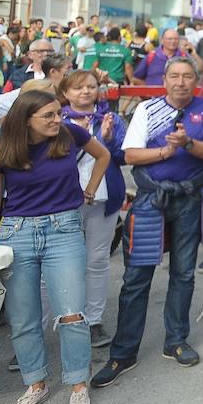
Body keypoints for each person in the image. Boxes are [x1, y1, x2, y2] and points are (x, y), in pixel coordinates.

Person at [0, 89, 111, 404]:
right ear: (26, 118)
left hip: (64, 229)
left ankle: (78, 385)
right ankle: (35, 384)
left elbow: (103, 155)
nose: (57, 120)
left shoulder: (69, 134)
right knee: (23, 317)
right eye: (48, 115)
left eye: (58, 113)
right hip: (16, 232)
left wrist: (90, 189)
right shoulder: (0, 147)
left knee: (72, 314)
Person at [93, 58, 203, 387]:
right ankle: (123, 352)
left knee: (184, 274)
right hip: (151, 200)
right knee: (136, 278)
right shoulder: (147, 109)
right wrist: (166, 151)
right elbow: (131, 155)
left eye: (187, 76)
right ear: (164, 80)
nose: (181, 82)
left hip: (190, 199)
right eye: (174, 76)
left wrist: (188, 144)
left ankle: (176, 340)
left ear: (196, 80)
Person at [57, 71, 128, 349]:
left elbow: (123, 156)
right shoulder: (56, 119)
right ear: (66, 92)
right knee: (61, 262)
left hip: (104, 199)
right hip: (64, 200)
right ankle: (61, 318)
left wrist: (107, 140)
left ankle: (94, 320)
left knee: (97, 260)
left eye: (91, 86)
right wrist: (82, 137)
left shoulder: (112, 119)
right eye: (78, 88)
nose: (85, 92)